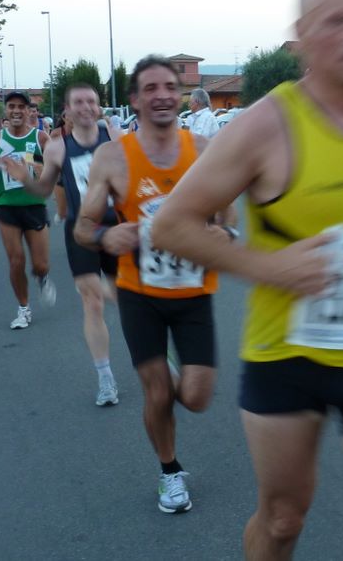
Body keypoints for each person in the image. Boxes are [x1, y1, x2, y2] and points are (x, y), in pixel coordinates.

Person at [151, 0, 343, 560]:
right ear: (301, 39)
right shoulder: (266, 124)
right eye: (335, 22)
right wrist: (270, 267)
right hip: (287, 357)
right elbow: (171, 224)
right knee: (284, 519)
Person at [74, 56, 223, 513]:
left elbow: (227, 218)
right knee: (157, 392)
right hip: (139, 293)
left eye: (169, 87)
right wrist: (105, 236)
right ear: (135, 100)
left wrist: (223, 234)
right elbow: (82, 226)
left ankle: (172, 378)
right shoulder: (112, 157)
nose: (162, 95)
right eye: (150, 88)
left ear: (180, 96)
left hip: (193, 291)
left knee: (196, 397)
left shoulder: (204, 149)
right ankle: (169, 473)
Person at [3, 83, 123, 407]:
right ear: (67, 110)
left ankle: (151, 354)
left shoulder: (115, 137)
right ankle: (105, 378)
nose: (85, 107)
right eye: (78, 102)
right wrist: (24, 177)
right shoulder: (57, 148)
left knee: (123, 296)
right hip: (81, 230)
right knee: (92, 301)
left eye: (91, 101)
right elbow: (44, 190)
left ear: (98, 107)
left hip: (118, 228)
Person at [0, 91, 57, 329]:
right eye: (11, 106)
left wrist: (40, 171)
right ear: (6, 111)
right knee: (16, 260)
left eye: (21, 107)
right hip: (6, 205)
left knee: (40, 264)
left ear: (28, 111)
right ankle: (23, 309)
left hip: (34, 204)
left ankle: (42, 277)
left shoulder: (40, 138)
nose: (16, 110)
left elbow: (51, 174)